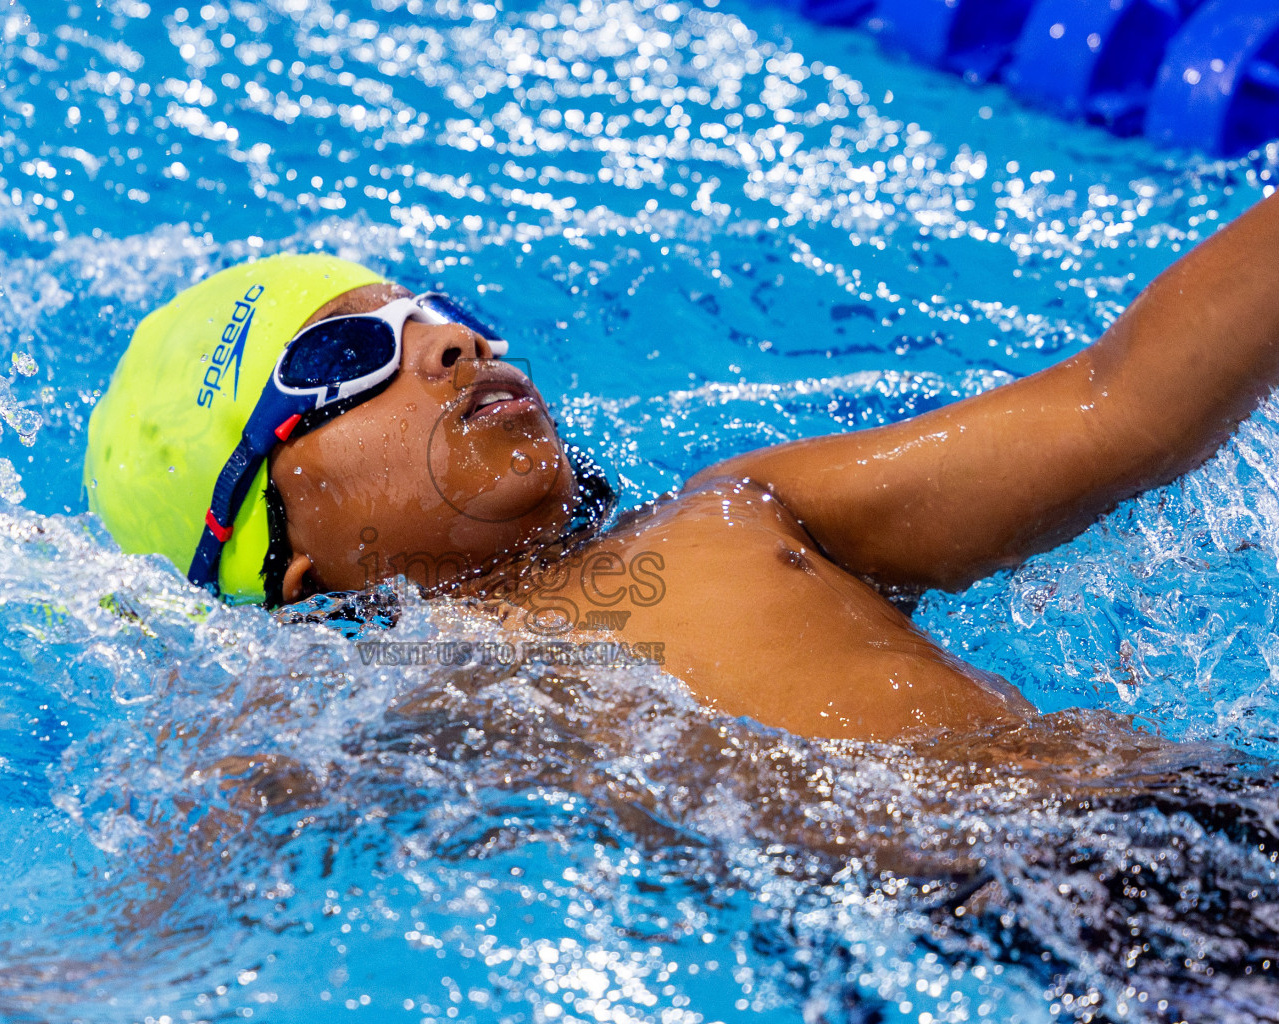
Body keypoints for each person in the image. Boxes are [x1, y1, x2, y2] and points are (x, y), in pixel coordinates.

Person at [84, 192, 1279, 744]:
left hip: (1154, 839)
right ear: (286, 560)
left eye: (432, 311)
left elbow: (1118, 410)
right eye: (350, 356)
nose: (450, 342)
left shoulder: (740, 510)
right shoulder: (371, 703)